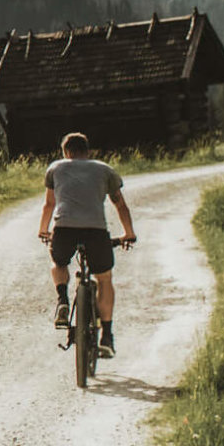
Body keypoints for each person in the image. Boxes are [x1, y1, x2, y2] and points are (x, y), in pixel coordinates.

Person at [37, 132, 135, 358]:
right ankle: (107, 336)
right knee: (104, 278)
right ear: (88, 151)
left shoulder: (56, 168)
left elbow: (49, 204)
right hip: (96, 231)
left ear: (66, 153)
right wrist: (128, 233)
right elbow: (121, 205)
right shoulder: (104, 169)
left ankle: (62, 299)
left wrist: (44, 230)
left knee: (58, 261)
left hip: (64, 229)